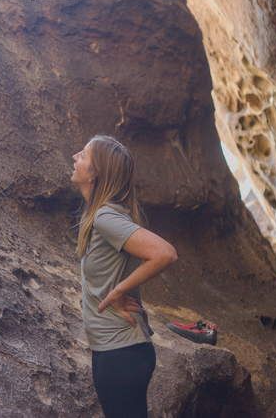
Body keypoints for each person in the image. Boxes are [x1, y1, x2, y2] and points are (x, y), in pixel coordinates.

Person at [71, 135, 178, 417]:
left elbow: (164, 253)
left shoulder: (106, 218)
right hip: (115, 351)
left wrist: (118, 291)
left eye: (82, 155)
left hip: (121, 353)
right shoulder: (98, 216)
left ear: (95, 173)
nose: (74, 157)